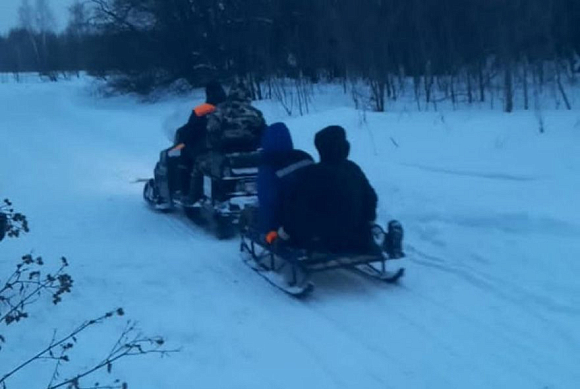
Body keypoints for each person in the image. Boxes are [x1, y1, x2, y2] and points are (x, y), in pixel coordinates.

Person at [281, 125, 379, 253]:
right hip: (357, 237)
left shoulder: (312, 173)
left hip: (322, 241)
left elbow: (298, 208)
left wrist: (286, 232)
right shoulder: (353, 168)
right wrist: (368, 222)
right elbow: (370, 198)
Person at [172, 81, 227, 202]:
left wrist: (182, 139)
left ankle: (188, 192)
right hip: (230, 148)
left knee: (184, 157)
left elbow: (191, 130)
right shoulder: (230, 108)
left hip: (207, 148)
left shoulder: (202, 110)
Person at [257, 123, 314, 236]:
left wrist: (270, 228)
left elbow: (267, 201)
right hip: (313, 216)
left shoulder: (268, 166)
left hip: (287, 223)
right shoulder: (304, 157)